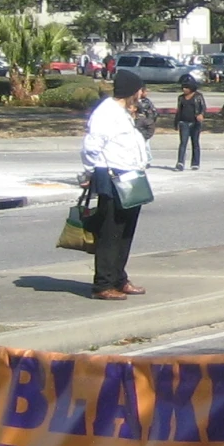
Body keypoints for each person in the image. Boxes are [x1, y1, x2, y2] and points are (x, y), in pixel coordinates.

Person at [82, 70, 153, 301]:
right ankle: (103, 284)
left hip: (131, 177)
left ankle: (119, 278)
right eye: (140, 90)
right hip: (112, 176)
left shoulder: (123, 113)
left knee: (125, 232)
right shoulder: (106, 113)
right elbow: (92, 146)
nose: (142, 94)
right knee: (110, 233)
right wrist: (92, 171)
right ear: (131, 91)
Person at [173, 73, 206, 171]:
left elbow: (203, 107)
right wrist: (176, 122)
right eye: (183, 87)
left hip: (195, 123)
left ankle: (195, 163)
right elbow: (179, 110)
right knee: (183, 143)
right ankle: (180, 163)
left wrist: (201, 114)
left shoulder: (198, 96)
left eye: (186, 87)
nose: (184, 89)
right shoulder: (181, 98)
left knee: (195, 143)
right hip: (184, 122)